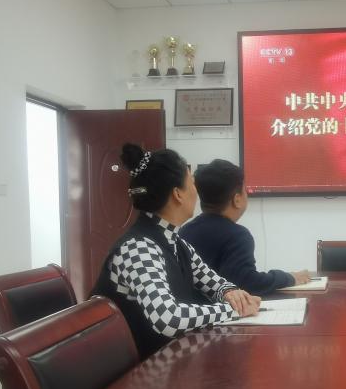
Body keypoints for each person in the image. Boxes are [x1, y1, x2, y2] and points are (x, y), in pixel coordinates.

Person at [92, 145, 260, 358]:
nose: (196, 192)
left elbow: (215, 283)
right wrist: (234, 309)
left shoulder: (176, 243)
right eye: (192, 183)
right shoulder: (137, 248)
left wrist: (231, 293)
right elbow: (168, 318)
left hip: (164, 358)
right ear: (178, 194)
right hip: (134, 369)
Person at [181, 159, 311, 295]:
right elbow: (247, 283)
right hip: (221, 307)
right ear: (237, 200)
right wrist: (289, 278)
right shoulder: (237, 235)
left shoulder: (185, 230)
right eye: (245, 190)